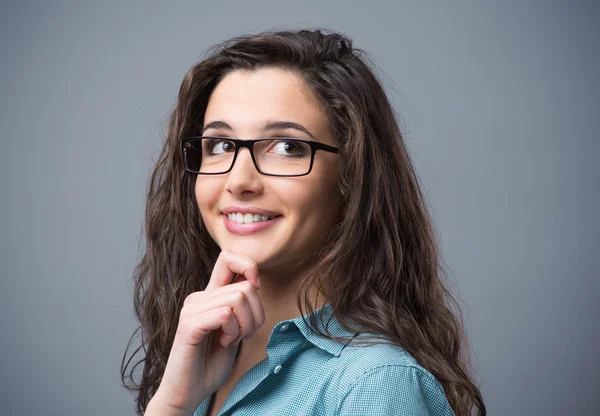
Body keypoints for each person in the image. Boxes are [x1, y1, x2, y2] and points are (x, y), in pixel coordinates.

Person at [121, 29, 486, 416]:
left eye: (287, 147)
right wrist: (174, 403)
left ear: (351, 176)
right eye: (221, 145)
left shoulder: (374, 383)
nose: (239, 181)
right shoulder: (198, 365)